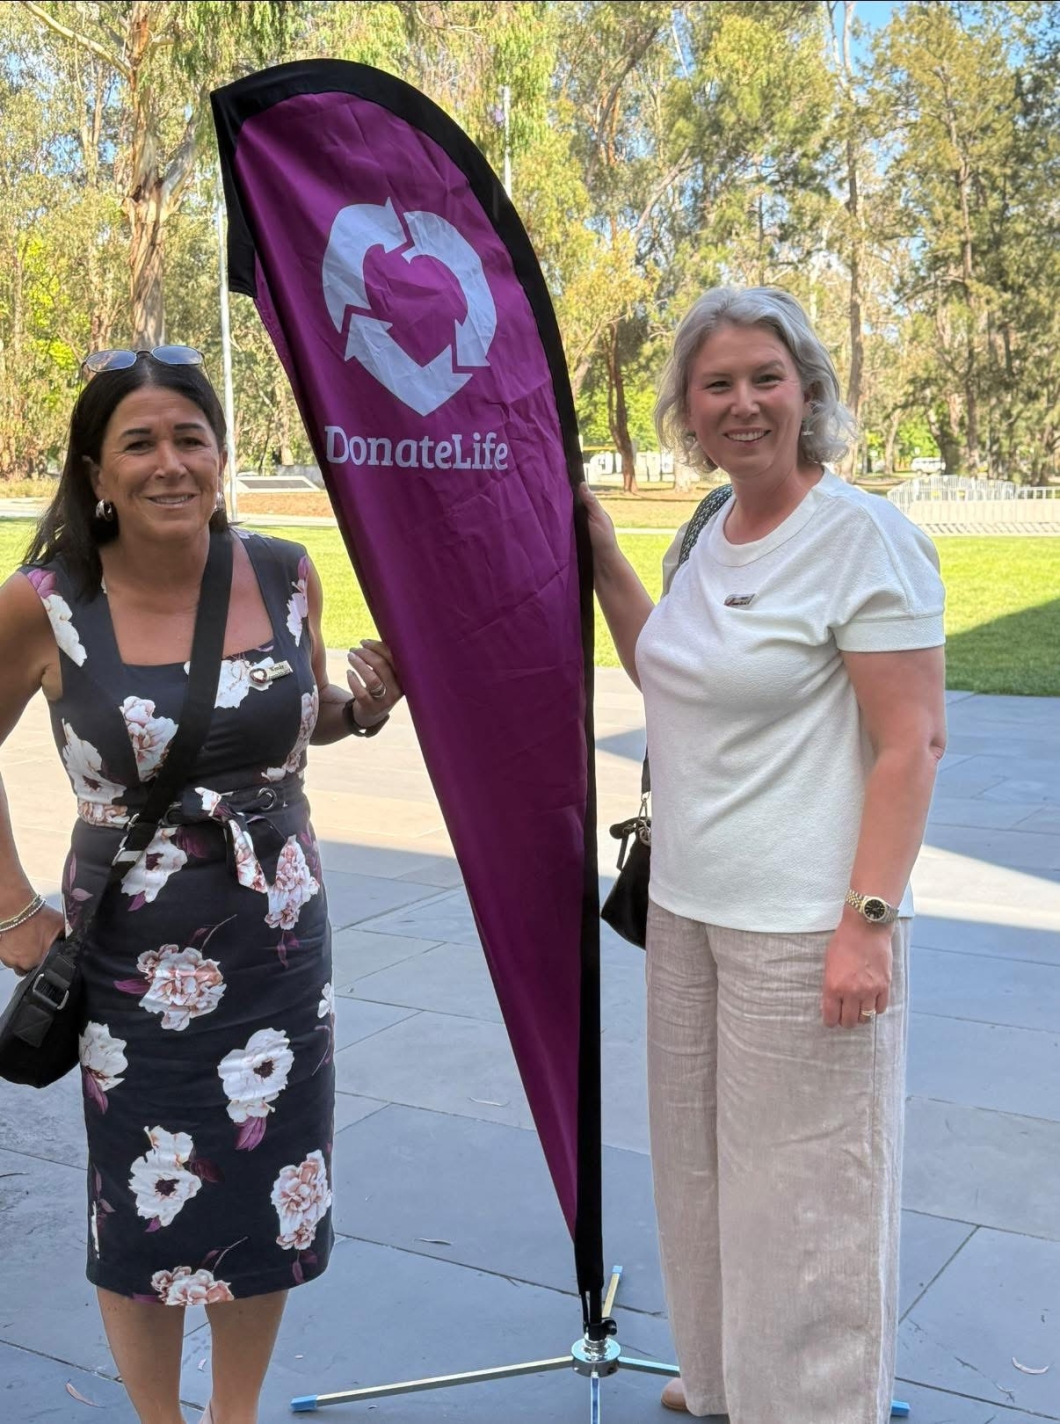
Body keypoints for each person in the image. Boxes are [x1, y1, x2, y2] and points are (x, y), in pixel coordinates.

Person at [0, 346, 403, 1424]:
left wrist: (362, 705)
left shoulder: (283, 570)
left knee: (267, 1188)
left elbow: (291, 720)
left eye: (191, 438)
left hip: (277, 945)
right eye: (140, 441)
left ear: (222, 456)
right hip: (128, 955)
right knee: (138, 1200)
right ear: (96, 469)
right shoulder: (45, 604)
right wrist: (15, 910)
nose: (170, 462)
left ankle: (233, 1414)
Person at [581, 288, 946, 1424]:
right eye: (716, 383)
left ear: (807, 393)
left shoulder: (860, 536)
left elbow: (912, 741)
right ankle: (732, 1375)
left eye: (764, 378)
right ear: (687, 409)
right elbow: (672, 675)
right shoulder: (709, 529)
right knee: (697, 1173)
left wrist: (866, 925)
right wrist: (602, 558)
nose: (742, 402)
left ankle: (818, 1404)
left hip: (806, 925)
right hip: (687, 908)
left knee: (808, 1197)